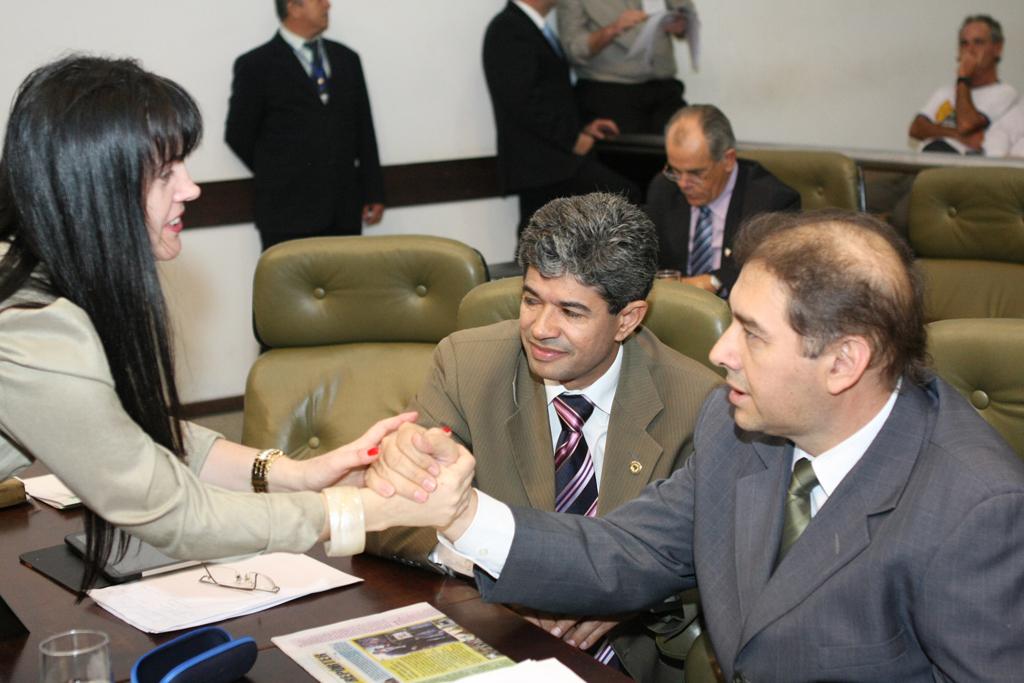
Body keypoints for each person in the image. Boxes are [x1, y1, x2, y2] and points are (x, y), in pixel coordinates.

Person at [392, 209, 1024, 681]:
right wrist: (464, 513)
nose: (720, 353)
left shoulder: (977, 509)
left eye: (751, 334)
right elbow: (626, 550)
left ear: (843, 362)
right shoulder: (736, 428)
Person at [0, 56, 472, 597]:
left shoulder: (31, 278)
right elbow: (176, 515)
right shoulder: (30, 327)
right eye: (165, 172)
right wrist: (371, 509)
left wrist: (295, 473)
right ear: (94, 187)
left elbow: (126, 433)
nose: (191, 188)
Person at [367, 192, 721, 681]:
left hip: (626, 665)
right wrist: (507, 571)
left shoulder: (699, 403)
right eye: (531, 300)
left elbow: (715, 565)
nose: (540, 328)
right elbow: (391, 518)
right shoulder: (467, 365)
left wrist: (624, 595)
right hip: (492, 643)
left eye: (571, 312)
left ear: (627, 319)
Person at [226, 0, 385, 250]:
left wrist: (373, 190)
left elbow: (364, 130)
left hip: (343, 211)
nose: (327, 5)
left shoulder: (347, 59)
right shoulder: (256, 65)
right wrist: (280, 170)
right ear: (294, 7)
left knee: (348, 275)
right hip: (286, 215)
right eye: (318, 0)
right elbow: (238, 135)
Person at [483, 0, 640, 241]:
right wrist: (572, 138)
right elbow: (524, 102)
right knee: (622, 199)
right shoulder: (508, 29)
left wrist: (584, 125)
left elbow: (553, 94)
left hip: (553, 162)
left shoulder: (532, 28)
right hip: (541, 165)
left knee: (544, 240)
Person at [645, 105, 800, 298]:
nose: (683, 184)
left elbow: (770, 267)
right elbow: (648, 257)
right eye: (675, 170)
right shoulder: (664, 188)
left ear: (728, 160)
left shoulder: (771, 200)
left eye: (696, 173)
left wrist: (713, 281)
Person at [557, 0, 693, 134]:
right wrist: (613, 29)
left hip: (664, 89)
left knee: (686, 140)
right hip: (610, 93)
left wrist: (682, 24)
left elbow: (687, 18)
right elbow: (573, 51)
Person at [909, 14, 1019, 155]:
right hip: (927, 159)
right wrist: (958, 136)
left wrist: (963, 77)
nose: (970, 50)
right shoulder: (944, 92)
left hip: (963, 163)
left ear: (997, 48)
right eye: (964, 43)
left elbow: (966, 124)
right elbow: (916, 128)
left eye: (978, 42)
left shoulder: (1005, 92)